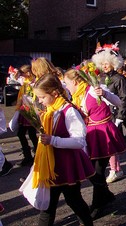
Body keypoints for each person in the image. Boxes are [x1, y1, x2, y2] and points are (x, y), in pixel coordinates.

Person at [32, 74, 94, 226]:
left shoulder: (68, 111)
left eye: (42, 97)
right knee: (48, 206)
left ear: (54, 93)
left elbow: (80, 141)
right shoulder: (50, 110)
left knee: (74, 200)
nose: (40, 101)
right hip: (51, 165)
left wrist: (53, 140)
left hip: (66, 165)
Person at [63, 69, 126, 218]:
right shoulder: (76, 95)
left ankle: (98, 205)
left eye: (67, 83)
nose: (66, 86)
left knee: (96, 172)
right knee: (91, 171)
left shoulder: (92, 89)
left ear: (75, 82)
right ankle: (106, 195)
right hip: (90, 135)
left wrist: (105, 94)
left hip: (103, 134)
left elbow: (119, 102)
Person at [92, 42, 126, 183]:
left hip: (114, 115)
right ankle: (116, 169)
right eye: (103, 63)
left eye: (107, 63)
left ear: (114, 63)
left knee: (110, 145)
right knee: (108, 145)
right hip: (102, 115)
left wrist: (120, 117)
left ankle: (114, 170)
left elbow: (124, 98)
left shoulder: (119, 79)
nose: (105, 65)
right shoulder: (99, 78)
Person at [14, 65, 38, 167]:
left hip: (31, 110)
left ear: (28, 73)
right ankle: (28, 155)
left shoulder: (34, 82)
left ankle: (36, 155)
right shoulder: (26, 81)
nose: (23, 76)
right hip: (24, 109)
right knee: (21, 133)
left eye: (24, 74)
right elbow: (17, 77)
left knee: (31, 134)